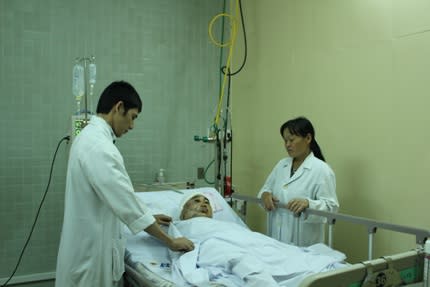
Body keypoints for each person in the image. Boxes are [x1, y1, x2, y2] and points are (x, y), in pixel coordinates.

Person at [55, 81, 194, 287]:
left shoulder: (90, 139)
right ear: (118, 108)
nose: (132, 126)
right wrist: (171, 242)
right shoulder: (99, 147)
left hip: (87, 249)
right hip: (91, 259)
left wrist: (150, 218)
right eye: (132, 117)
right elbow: (126, 203)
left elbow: (112, 200)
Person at [168, 192, 345, 287]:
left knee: (288, 252)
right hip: (213, 244)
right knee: (239, 260)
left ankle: (333, 270)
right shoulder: (181, 229)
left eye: (207, 201)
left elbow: (250, 238)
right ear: (183, 211)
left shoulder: (229, 226)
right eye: (196, 201)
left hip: (255, 242)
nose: (204, 204)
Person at [258, 116, 339, 247]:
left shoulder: (321, 170)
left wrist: (309, 204)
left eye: (291, 140)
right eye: (285, 141)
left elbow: (331, 207)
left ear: (308, 138)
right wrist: (265, 196)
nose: (287, 145)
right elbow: (265, 189)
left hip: (305, 246)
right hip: (276, 241)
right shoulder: (281, 165)